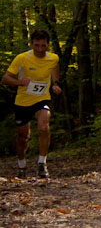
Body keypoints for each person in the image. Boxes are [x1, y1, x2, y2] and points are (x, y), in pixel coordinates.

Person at [1, 29, 62, 179]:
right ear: (31, 44)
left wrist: (56, 84)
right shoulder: (22, 58)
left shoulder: (53, 58)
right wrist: (20, 82)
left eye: (43, 46)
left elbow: (55, 72)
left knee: (43, 126)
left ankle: (42, 163)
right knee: (23, 137)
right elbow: (5, 79)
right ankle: (21, 165)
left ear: (48, 44)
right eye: (37, 45)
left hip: (42, 99)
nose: (40, 49)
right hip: (23, 101)